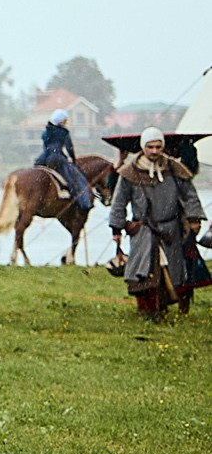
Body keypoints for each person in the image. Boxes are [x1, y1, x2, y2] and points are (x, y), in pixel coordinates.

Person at [107, 127, 203, 319]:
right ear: (143, 147)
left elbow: (190, 195)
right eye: (150, 147)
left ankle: (171, 306)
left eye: (158, 147)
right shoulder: (129, 173)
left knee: (175, 269)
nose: (154, 151)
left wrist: (194, 219)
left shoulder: (174, 169)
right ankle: (150, 310)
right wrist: (116, 228)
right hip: (143, 229)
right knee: (145, 271)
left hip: (171, 229)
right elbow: (119, 202)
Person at [35, 107, 92, 214]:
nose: (66, 121)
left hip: (43, 158)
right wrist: (73, 160)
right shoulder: (63, 132)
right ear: (61, 120)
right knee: (76, 179)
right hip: (57, 158)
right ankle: (83, 203)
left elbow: (45, 146)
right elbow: (69, 147)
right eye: (65, 119)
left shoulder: (47, 130)